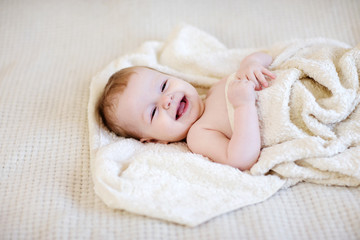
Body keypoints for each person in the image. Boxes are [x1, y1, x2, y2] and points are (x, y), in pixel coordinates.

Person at [98, 52, 276, 170]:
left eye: (163, 86)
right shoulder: (198, 134)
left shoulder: (214, 88)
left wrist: (251, 64)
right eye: (152, 112)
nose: (166, 100)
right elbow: (241, 159)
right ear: (155, 140)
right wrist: (243, 106)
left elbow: (268, 57)